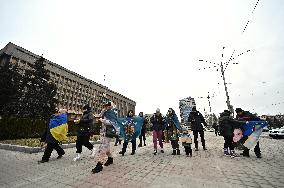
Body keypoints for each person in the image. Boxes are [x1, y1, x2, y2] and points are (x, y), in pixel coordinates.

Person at [92, 101, 118, 173]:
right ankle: (110, 159)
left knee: (103, 148)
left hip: (108, 132)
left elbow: (112, 122)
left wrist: (103, 120)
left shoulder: (113, 113)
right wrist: (102, 112)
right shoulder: (105, 112)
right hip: (103, 132)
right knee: (107, 148)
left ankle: (99, 165)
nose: (107, 107)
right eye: (105, 105)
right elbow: (100, 116)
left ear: (112, 106)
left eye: (108, 105)